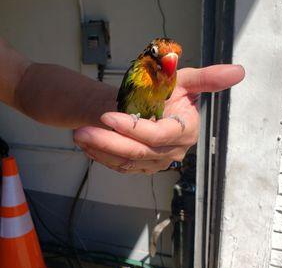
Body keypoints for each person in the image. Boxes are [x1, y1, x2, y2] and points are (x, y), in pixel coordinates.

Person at [0, 38, 245, 174]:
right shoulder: (137, 72)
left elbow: (22, 80)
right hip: (132, 108)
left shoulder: (167, 81)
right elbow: (125, 98)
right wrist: (130, 117)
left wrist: (168, 126)